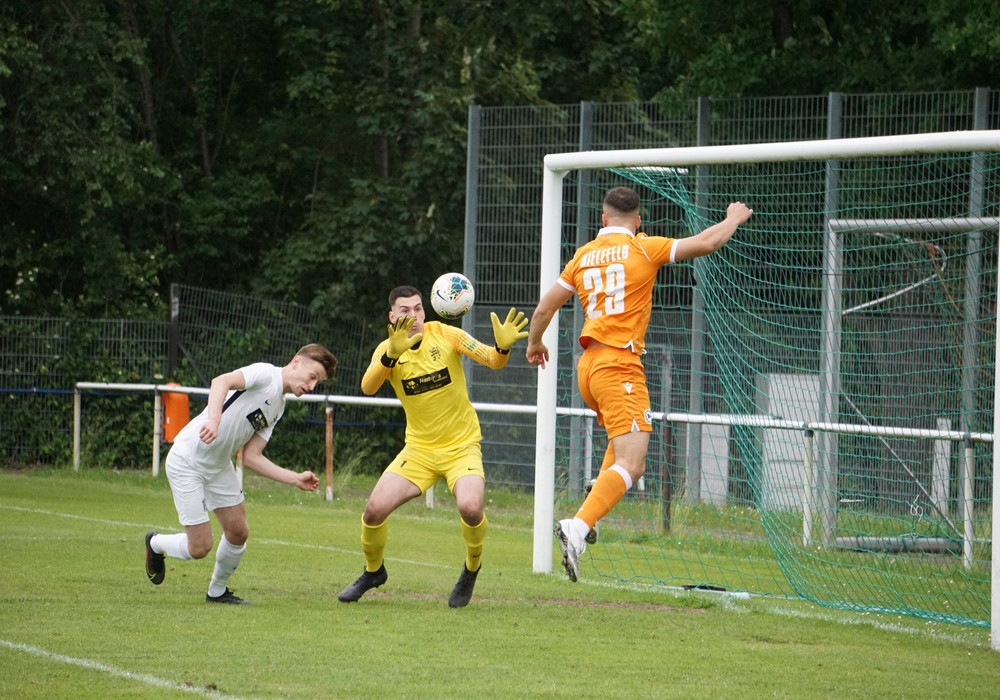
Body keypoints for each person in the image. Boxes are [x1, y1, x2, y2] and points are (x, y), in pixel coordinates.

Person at [525, 186, 753, 582]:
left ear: (602, 219)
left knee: (619, 448)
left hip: (588, 368)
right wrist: (733, 218)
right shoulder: (645, 248)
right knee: (634, 462)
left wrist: (534, 343)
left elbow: (545, 307)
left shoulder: (582, 256)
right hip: (619, 366)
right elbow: (707, 242)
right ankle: (577, 527)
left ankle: (587, 519)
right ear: (639, 221)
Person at [337, 285, 529, 607]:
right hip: (420, 451)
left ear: (425, 311)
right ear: (392, 316)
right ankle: (373, 572)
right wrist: (391, 354)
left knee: (470, 508)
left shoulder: (446, 334)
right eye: (404, 310)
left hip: (461, 446)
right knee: (373, 512)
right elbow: (368, 386)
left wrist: (502, 347)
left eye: (417, 309)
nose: (412, 316)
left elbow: (492, 360)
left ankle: (471, 568)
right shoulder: (388, 348)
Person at [144, 343, 338, 604]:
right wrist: (213, 419)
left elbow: (250, 457)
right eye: (313, 376)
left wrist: (295, 478)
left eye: (319, 382)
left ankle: (217, 591)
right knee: (200, 547)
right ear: (296, 362)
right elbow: (221, 381)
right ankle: (155, 544)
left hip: (218, 465)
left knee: (238, 531)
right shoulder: (265, 374)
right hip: (187, 460)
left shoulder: (278, 407)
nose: (313, 385)